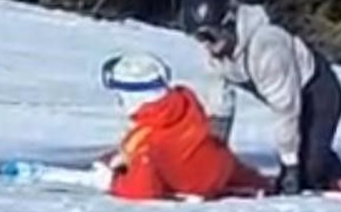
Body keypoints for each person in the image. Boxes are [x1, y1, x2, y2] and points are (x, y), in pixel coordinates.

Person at [178, 0, 341, 195]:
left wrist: (290, 167)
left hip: (317, 91)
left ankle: (333, 176)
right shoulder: (217, 54)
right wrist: (213, 155)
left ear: (229, 22)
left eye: (208, 35)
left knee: (308, 172)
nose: (206, 45)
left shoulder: (267, 46)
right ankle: (320, 162)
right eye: (198, 38)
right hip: (286, 97)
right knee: (304, 151)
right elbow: (220, 104)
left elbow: (286, 110)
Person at [97, 51, 271, 201]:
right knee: (247, 179)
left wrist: (113, 182)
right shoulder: (186, 105)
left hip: (197, 183)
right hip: (218, 159)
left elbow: (143, 191)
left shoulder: (148, 143)